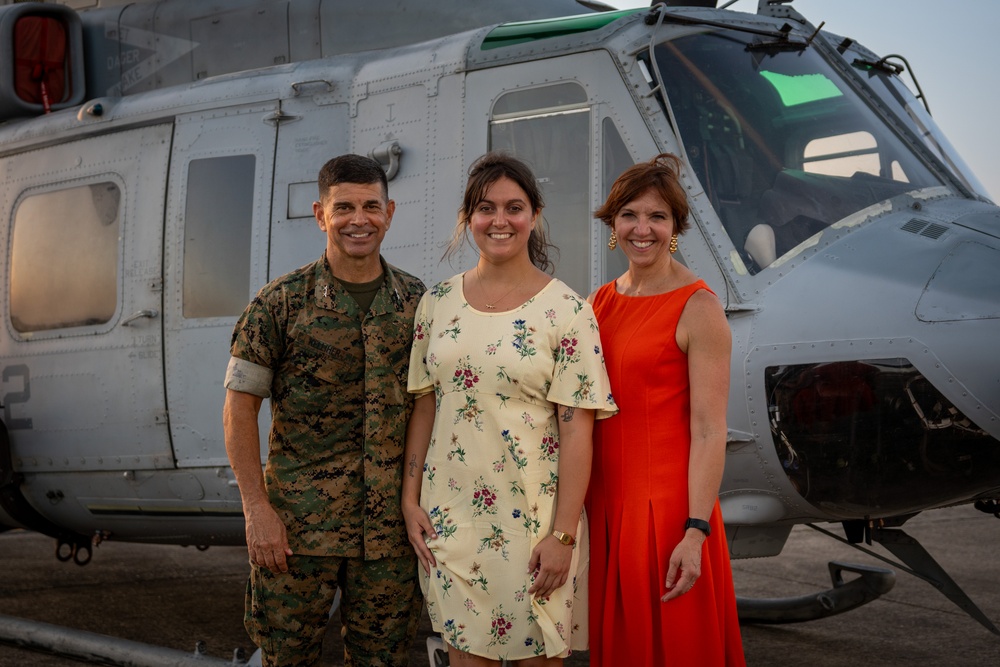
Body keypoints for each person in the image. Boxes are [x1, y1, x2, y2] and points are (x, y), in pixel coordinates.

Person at [401, 152, 616, 666]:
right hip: (449, 524)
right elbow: (425, 407)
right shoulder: (437, 303)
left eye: (513, 207)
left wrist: (563, 534)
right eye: (485, 208)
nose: (499, 220)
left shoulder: (567, 310)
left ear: (534, 214)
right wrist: (410, 500)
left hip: (534, 530)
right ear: (468, 218)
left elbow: (578, 431)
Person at [222, 154, 425, 667]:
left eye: (371, 207)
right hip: (295, 533)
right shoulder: (279, 304)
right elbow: (238, 409)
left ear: (390, 211)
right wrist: (256, 510)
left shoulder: (418, 303)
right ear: (320, 214)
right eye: (345, 207)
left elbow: (431, 405)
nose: (360, 219)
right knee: (287, 659)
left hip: (388, 537)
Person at [587, 153, 746, 666]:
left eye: (658, 217)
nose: (642, 228)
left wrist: (695, 531)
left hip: (668, 515)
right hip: (607, 507)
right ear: (614, 223)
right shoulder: (599, 303)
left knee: (676, 647)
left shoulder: (699, 308)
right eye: (630, 214)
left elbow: (708, 430)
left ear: (675, 227)